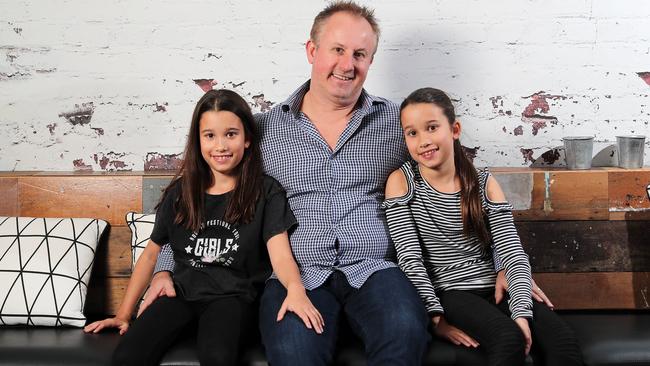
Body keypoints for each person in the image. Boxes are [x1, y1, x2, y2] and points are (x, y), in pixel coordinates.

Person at [143, 1, 554, 364]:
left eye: (360, 54)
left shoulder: (398, 125)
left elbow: (455, 179)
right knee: (292, 349)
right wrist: (165, 270)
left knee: (405, 331)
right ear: (312, 51)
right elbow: (202, 195)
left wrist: (504, 263)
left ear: (370, 61)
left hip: (376, 269)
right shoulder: (264, 130)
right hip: (297, 272)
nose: (347, 64)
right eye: (337, 50)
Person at [83, 89, 322, 366]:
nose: (220, 145)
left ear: (247, 140)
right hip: (181, 294)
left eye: (231, 134)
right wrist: (124, 314)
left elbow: (280, 254)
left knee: (218, 356)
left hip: (233, 298)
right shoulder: (181, 193)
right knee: (127, 355)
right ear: (198, 140)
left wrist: (295, 289)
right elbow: (151, 254)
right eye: (210, 135)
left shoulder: (266, 192)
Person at [383, 87, 584, 365]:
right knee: (508, 339)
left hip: (494, 284)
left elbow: (511, 250)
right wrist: (435, 318)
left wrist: (521, 312)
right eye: (412, 133)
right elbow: (410, 259)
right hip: (451, 292)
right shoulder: (402, 182)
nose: (423, 141)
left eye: (431, 128)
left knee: (564, 343)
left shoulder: (482, 181)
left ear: (454, 129)